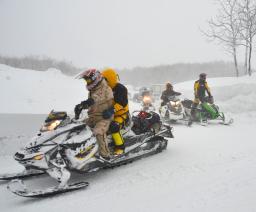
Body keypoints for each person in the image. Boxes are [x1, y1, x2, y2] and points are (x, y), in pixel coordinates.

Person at [74, 69, 114, 160]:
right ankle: (79, 152)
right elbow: (92, 104)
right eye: (86, 81)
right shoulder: (93, 90)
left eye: (88, 80)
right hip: (93, 117)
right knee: (78, 128)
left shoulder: (105, 87)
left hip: (104, 117)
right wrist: (80, 107)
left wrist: (86, 103)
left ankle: (105, 155)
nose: (87, 82)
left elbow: (97, 98)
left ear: (95, 78)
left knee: (98, 132)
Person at [101, 68, 129, 155]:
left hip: (121, 115)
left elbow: (122, 103)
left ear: (110, 79)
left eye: (105, 80)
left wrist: (111, 110)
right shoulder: (104, 90)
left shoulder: (121, 89)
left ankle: (120, 147)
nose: (103, 82)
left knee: (114, 127)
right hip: (108, 114)